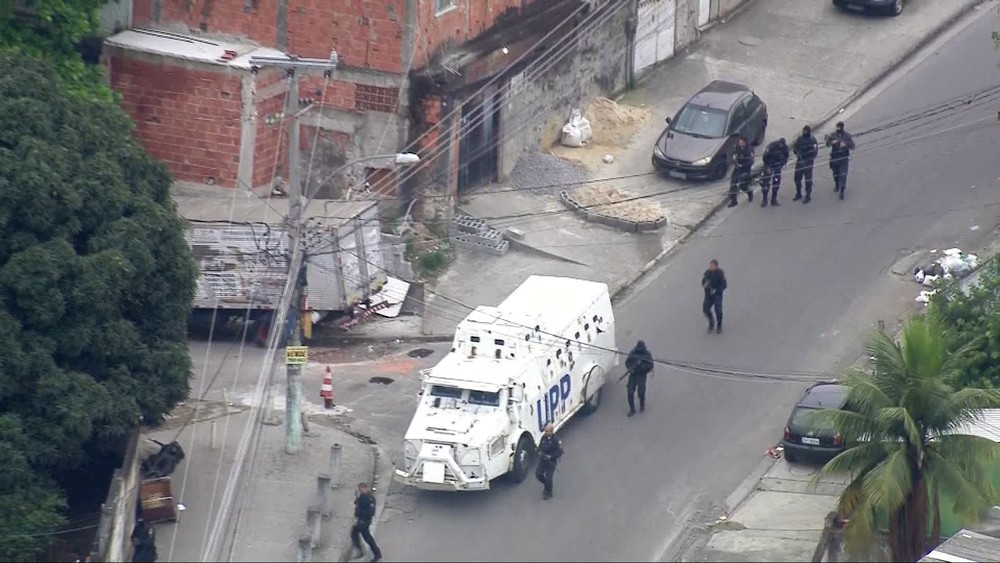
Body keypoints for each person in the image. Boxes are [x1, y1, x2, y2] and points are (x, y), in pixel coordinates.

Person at [351, 482, 382, 562]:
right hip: (360, 520)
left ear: (366, 489)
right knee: (354, 532)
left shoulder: (370, 499)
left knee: (367, 538)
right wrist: (357, 497)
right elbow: (356, 503)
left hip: (364, 521)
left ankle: (376, 554)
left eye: (361, 489)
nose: (360, 491)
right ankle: (360, 550)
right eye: (359, 490)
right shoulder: (361, 496)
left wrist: (360, 512)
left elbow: (370, 512)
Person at [825, 121, 856, 200]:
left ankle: (842, 190)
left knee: (843, 174)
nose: (838, 129)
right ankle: (837, 184)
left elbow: (852, 145)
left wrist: (845, 144)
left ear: (842, 127)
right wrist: (831, 141)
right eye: (837, 127)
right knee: (836, 174)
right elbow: (828, 144)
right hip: (835, 157)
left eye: (839, 127)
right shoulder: (833, 135)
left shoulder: (847, 136)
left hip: (843, 158)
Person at [624, 340, 654, 417]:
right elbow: (627, 362)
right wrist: (630, 368)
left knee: (641, 391)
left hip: (641, 375)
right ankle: (632, 409)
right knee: (630, 392)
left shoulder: (647, 355)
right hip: (633, 375)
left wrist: (642, 367)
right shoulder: (633, 353)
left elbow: (650, 365)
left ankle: (642, 404)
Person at [535, 423, 564, 500]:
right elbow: (540, 446)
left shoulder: (555, 440)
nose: (545, 432)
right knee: (538, 474)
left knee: (548, 477)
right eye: (545, 431)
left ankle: (548, 492)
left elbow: (560, 452)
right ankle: (547, 484)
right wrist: (539, 452)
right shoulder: (543, 438)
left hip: (551, 462)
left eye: (547, 431)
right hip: (543, 460)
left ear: (551, 432)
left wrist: (551, 456)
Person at [792, 125, 819, 203]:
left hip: (808, 162)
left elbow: (815, 151)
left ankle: (808, 195)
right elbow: (795, 146)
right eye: (804, 131)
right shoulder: (800, 138)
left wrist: (810, 158)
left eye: (806, 131)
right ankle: (799, 193)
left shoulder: (812, 140)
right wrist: (796, 151)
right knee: (797, 178)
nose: (804, 132)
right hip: (800, 160)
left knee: (808, 179)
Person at [760, 137, 790, 207]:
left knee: (776, 182)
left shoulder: (785, 149)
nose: (781, 146)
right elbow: (765, 156)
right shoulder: (771, 146)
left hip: (777, 167)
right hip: (769, 166)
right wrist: (767, 166)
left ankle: (774, 199)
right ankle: (764, 199)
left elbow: (786, 157)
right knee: (765, 183)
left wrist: (782, 164)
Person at [727, 135, 754, 208]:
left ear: (745, 143)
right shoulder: (736, 147)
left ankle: (749, 192)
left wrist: (743, 165)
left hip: (745, 169)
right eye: (740, 142)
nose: (740, 144)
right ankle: (734, 201)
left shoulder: (749, 150)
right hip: (737, 168)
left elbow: (751, 161)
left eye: (742, 143)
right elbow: (733, 156)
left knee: (743, 185)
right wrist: (734, 161)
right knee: (733, 184)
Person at [702, 259, 727, 334]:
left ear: (716, 266)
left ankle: (719, 325)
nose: (710, 267)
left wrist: (717, 290)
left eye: (712, 265)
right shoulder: (707, 273)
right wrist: (705, 285)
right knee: (705, 309)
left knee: (718, 310)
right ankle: (711, 322)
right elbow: (703, 281)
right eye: (710, 265)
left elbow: (724, 285)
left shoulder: (720, 273)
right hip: (709, 294)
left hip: (717, 294)